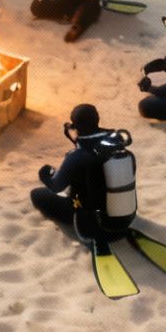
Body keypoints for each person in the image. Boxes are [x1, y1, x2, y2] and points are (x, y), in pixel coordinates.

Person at [31, 103, 110, 240]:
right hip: (121, 216)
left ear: (75, 126)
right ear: (97, 119)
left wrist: (44, 175)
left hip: (93, 224)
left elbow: (56, 187)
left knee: (37, 194)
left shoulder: (77, 156)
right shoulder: (116, 142)